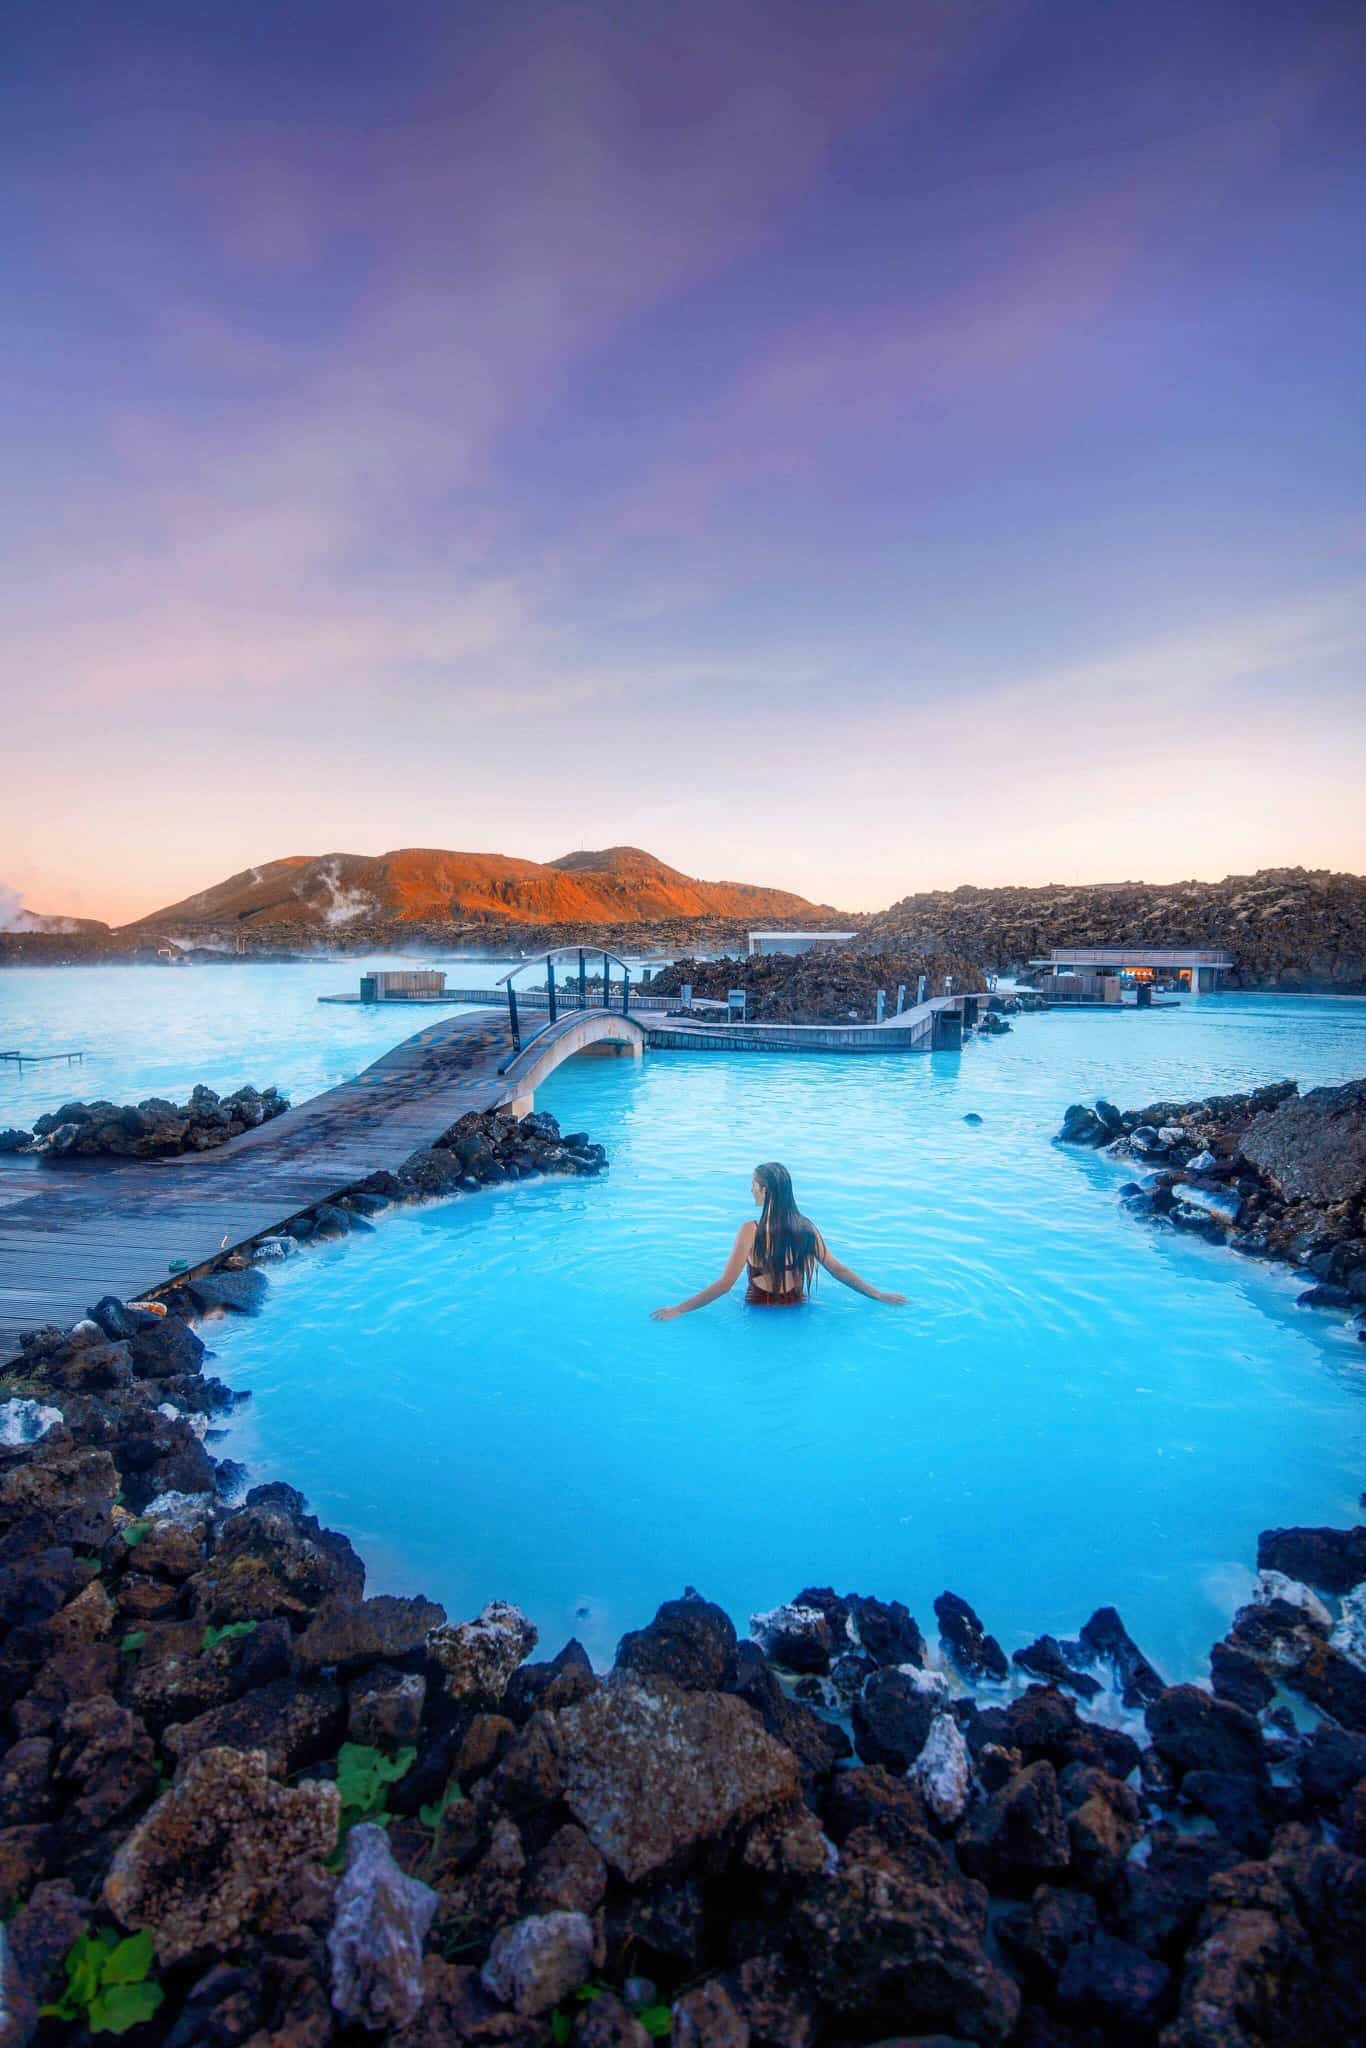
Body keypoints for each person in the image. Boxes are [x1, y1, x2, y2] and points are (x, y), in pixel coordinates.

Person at [650, 1161, 907, 1320]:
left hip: (758, 1310)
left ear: (765, 1191)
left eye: (753, 1184)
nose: (750, 1189)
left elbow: (725, 1285)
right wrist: (877, 1294)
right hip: (796, 1307)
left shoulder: (749, 1231)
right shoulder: (806, 1228)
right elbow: (837, 1269)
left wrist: (680, 1309)